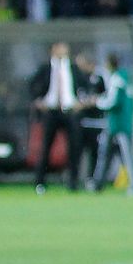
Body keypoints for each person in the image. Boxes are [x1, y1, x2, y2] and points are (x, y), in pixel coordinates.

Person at [29, 41, 91, 193]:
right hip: (51, 111)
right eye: (60, 47)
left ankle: (73, 182)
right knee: (46, 147)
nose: (63, 50)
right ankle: (40, 183)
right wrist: (38, 101)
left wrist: (81, 102)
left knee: (75, 147)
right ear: (53, 50)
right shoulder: (46, 68)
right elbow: (32, 85)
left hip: (70, 111)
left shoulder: (73, 68)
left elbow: (86, 86)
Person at [91, 52, 133, 194]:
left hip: (118, 123)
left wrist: (97, 102)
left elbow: (113, 102)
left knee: (125, 156)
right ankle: (98, 184)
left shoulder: (117, 79)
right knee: (107, 154)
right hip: (122, 122)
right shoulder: (126, 77)